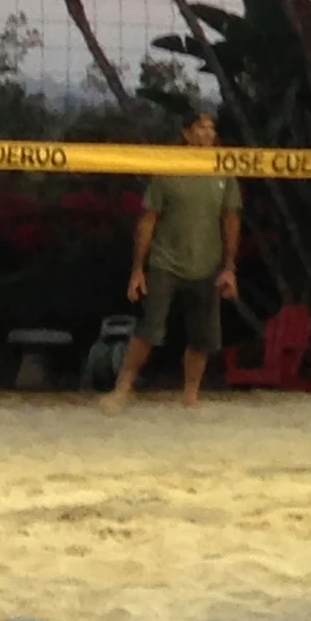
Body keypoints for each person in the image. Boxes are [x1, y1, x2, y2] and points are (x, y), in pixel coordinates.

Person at [101, 110, 240, 410]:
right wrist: (138, 269)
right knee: (150, 328)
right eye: (201, 128)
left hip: (206, 262)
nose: (207, 134)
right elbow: (148, 220)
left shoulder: (223, 168)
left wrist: (229, 267)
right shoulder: (168, 167)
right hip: (166, 261)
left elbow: (231, 219)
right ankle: (123, 388)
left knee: (203, 335)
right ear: (187, 134)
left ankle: (190, 394)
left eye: (211, 128)